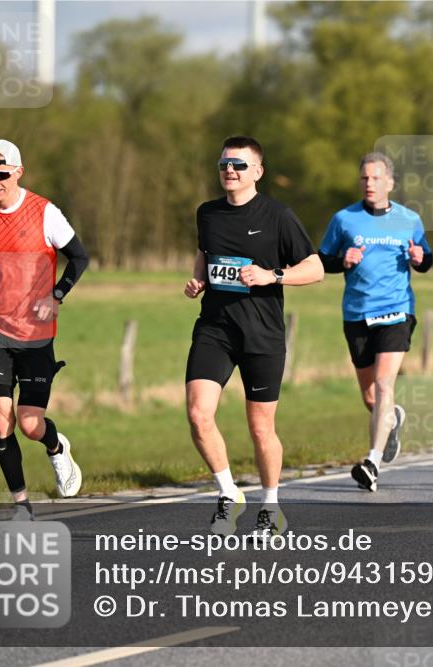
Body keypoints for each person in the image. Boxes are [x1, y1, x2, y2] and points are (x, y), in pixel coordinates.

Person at [184, 136, 323, 535]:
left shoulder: (278, 216)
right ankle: (229, 493)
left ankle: (271, 505)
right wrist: (198, 279)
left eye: (240, 165)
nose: (230, 170)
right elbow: (204, 253)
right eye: (224, 164)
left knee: (261, 428)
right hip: (215, 328)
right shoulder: (207, 213)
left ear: (258, 172)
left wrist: (272, 275)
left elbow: (314, 268)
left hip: (262, 334)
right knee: (198, 414)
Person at [0, 139, 89, 520]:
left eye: (1, 174)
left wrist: (57, 295)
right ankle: (21, 506)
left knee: (28, 423)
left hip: (36, 333)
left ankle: (57, 447)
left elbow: (80, 257)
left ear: (18, 173)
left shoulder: (45, 213)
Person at [318, 152, 433, 492]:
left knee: (384, 384)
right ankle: (392, 418)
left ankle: (372, 461)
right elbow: (323, 261)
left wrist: (419, 257)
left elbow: (426, 258)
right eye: (364, 178)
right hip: (356, 313)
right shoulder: (344, 219)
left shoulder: (409, 219)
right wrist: (344, 259)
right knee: (372, 398)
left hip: (397, 310)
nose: (369, 183)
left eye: (376, 178)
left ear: (390, 183)